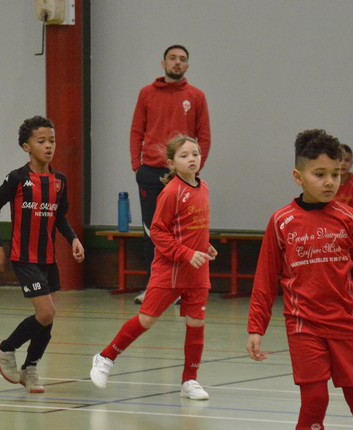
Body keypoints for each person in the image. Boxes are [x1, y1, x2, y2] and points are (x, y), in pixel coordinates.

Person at [247, 129, 353, 430]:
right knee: (314, 400)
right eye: (320, 174)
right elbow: (265, 280)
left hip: (346, 325)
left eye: (335, 174)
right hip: (303, 326)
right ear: (298, 177)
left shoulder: (351, 220)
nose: (329, 182)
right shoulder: (281, 222)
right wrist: (256, 327)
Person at [91, 135, 217, 400]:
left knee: (196, 323)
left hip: (197, 270)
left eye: (195, 154)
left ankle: (190, 380)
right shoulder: (171, 192)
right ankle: (105, 357)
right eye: (184, 155)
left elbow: (191, 227)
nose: (192, 159)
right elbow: (158, 232)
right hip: (169, 270)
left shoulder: (204, 187)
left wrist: (205, 246)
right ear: (171, 163)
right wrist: (186, 253)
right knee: (147, 319)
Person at [0, 115, 85, 393]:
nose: (48, 146)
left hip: (48, 259)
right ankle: (5, 348)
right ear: (26, 147)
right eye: (41, 141)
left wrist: (73, 239)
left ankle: (30, 367)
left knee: (47, 318)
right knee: (46, 312)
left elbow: (59, 217)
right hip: (24, 257)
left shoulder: (59, 181)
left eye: (52, 140)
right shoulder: (17, 178)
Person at [130, 44, 211, 304]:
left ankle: (179, 288)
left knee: (182, 232)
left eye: (182, 59)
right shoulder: (146, 94)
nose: (177, 62)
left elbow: (204, 136)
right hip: (150, 173)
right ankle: (153, 286)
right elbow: (136, 131)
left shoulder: (196, 96)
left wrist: (192, 169)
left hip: (181, 177)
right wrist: (137, 166)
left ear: (187, 65)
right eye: (172, 58)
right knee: (152, 232)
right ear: (163, 63)